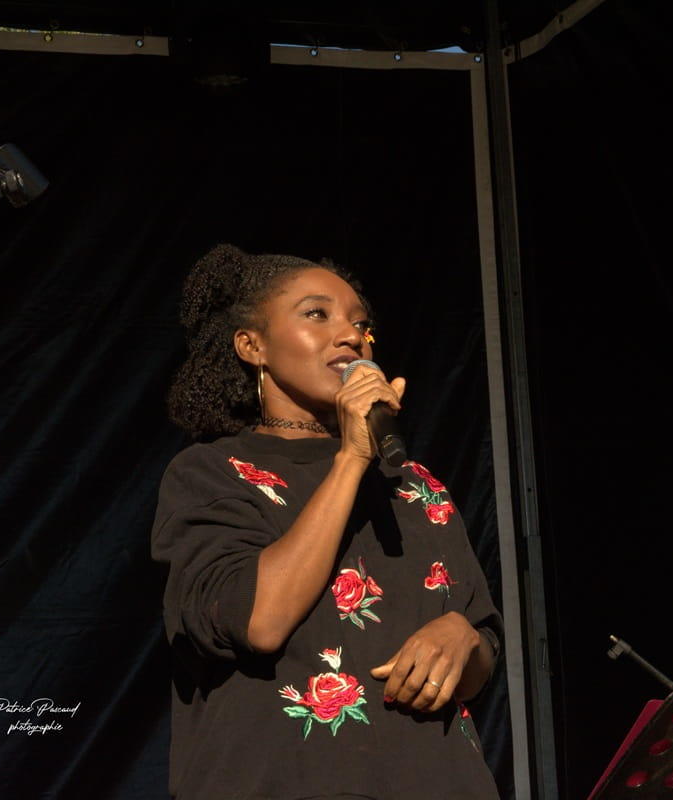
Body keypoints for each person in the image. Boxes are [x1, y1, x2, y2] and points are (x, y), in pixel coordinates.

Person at [151, 244, 503, 799]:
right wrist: (351, 459)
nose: (351, 336)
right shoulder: (212, 473)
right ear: (252, 346)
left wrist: (463, 638)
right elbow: (259, 622)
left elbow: (481, 658)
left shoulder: (415, 486)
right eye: (317, 314)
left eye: (361, 325)